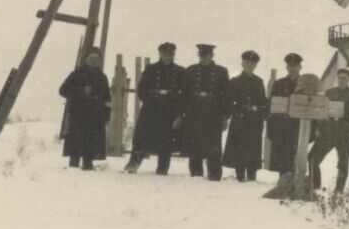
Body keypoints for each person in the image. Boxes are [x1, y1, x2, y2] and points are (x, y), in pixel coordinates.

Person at [124, 42, 185, 175]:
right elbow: (141, 89)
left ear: (174, 55)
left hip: (169, 108)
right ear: (160, 54)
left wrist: (178, 112)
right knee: (141, 136)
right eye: (165, 54)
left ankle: (163, 168)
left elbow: (183, 93)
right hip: (151, 109)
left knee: (166, 139)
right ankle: (133, 164)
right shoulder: (151, 69)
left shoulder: (180, 71)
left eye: (170, 54)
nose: (167, 57)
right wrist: (149, 101)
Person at [177, 44, 229, 181]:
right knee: (195, 144)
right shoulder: (191, 70)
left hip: (213, 112)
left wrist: (225, 116)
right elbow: (184, 94)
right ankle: (196, 173)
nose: (203, 58)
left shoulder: (221, 72)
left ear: (212, 56)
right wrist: (181, 114)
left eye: (206, 56)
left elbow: (226, 96)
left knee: (214, 146)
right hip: (194, 111)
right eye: (201, 56)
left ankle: (215, 174)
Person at [308, 67, 349, 193]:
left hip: (344, 132)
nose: (342, 80)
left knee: (343, 162)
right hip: (328, 131)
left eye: (345, 78)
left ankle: (338, 190)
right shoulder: (329, 92)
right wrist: (320, 127)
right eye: (340, 78)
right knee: (312, 157)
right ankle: (315, 186)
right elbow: (322, 110)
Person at [59, 46, 111, 171]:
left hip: (95, 115)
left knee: (91, 143)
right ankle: (73, 167)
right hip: (78, 114)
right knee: (76, 143)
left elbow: (107, 98)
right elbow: (63, 90)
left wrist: (106, 114)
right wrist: (81, 90)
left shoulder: (102, 77)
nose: (94, 60)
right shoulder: (76, 74)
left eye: (96, 58)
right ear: (86, 58)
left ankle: (88, 166)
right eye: (91, 57)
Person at [223, 50, 267, 182]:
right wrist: (240, 112)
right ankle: (240, 176)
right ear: (242, 63)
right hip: (240, 121)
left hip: (255, 121)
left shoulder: (259, 82)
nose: (249, 65)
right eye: (247, 62)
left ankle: (252, 177)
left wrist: (260, 115)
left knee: (253, 148)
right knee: (239, 149)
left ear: (255, 65)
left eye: (252, 63)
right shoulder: (235, 81)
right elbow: (228, 102)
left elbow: (263, 102)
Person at [266, 52, 302, 175]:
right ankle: (283, 179)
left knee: (296, 154)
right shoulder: (279, 84)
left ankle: (295, 179)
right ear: (287, 67)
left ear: (300, 67)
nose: (292, 69)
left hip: (298, 125)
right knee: (281, 154)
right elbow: (271, 106)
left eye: (295, 66)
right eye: (290, 66)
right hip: (281, 125)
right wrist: (271, 128)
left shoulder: (305, 85)